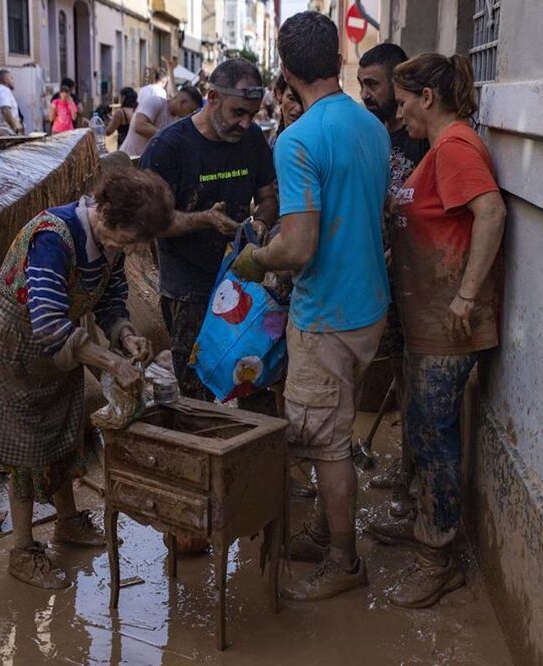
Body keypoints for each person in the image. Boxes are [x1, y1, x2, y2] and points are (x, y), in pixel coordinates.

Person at [231, 11, 391, 601]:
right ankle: (328, 533)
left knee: (325, 442)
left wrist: (257, 259)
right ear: (342, 61)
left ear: (286, 70)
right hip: (369, 305)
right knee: (335, 424)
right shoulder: (370, 125)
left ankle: (345, 561)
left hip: (326, 312)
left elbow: (298, 245)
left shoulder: (298, 139)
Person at [0, 169, 176, 589]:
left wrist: (125, 335)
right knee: (26, 446)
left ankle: (67, 522)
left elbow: (110, 301)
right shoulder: (53, 236)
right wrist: (110, 363)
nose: (135, 249)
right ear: (103, 212)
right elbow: (47, 321)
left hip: (61, 345)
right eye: (133, 238)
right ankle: (24, 550)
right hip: (14, 344)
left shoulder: (109, 244)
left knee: (64, 429)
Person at [367, 53, 505, 609]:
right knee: (425, 428)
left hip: (450, 324)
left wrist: (467, 296)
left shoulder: (452, 147)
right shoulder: (441, 148)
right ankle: (427, 522)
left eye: (403, 102)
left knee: (435, 438)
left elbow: (490, 213)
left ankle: (438, 557)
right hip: (429, 321)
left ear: (427, 98)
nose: (399, 115)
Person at [140, 58, 278, 402]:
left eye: (252, 114)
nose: (245, 123)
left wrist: (260, 221)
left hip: (242, 281)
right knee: (195, 387)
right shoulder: (169, 146)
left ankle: (246, 451)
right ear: (212, 97)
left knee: (251, 379)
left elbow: (268, 195)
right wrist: (203, 219)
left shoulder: (253, 141)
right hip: (188, 289)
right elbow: (149, 223)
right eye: (238, 113)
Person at [357, 42, 430, 517]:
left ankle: (418, 485)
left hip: (422, 282)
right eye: (361, 84)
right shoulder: (378, 135)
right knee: (402, 376)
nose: (365, 94)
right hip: (390, 278)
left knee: (420, 387)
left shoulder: (423, 138)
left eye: (373, 85)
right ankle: (406, 470)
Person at [118, 84, 202, 157]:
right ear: (182, 103)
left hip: (145, 165)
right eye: (191, 110)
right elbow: (140, 126)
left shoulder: (178, 120)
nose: (190, 114)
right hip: (129, 159)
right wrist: (169, 136)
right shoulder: (155, 101)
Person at [270, 73, 303, 149]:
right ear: (279, 94)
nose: (299, 108)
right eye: (292, 99)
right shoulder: (272, 143)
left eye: (303, 101)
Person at [0, 69, 22, 134]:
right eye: (11, 78)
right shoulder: (3, 91)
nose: (13, 81)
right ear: (6, 79)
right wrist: (14, 127)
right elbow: (5, 109)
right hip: (3, 130)